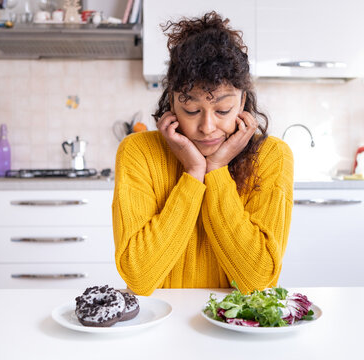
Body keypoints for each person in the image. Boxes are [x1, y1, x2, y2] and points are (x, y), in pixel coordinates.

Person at [112, 11, 293, 296]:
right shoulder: (138, 152)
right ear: (171, 100)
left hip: (236, 327)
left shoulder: (272, 155)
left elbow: (257, 280)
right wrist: (194, 174)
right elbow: (139, 277)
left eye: (222, 110)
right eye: (192, 110)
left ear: (242, 101)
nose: (207, 127)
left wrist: (217, 170)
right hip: (161, 324)